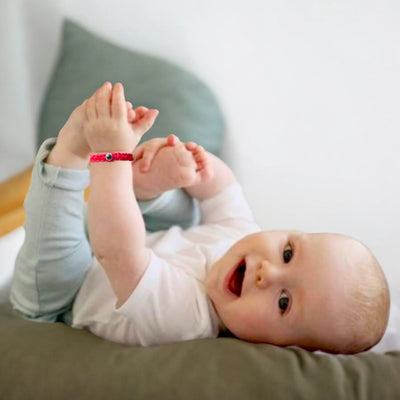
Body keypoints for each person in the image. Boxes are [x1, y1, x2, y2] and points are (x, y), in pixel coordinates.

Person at [10, 82, 390, 354]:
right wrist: (196, 167)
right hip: (107, 254)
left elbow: (119, 253)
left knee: (63, 253)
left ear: (279, 348)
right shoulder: (244, 235)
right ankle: (149, 183)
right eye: (288, 253)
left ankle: (72, 155)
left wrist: (112, 157)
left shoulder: (187, 319)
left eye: (284, 302)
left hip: (62, 300)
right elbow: (223, 190)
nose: (267, 273)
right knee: (187, 205)